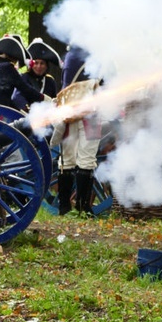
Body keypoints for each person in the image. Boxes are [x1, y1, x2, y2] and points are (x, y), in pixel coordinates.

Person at [54, 45, 103, 217]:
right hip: (90, 114)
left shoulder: (70, 56)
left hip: (69, 112)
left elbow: (65, 87)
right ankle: (83, 207)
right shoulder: (97, 55)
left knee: (67, 160)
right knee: (86, 160)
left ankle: (64, 206)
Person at [0, 34, 47, 109]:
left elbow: (5, 97)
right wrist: (44, 98)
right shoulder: (7, 67)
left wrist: (19, 111)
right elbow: (25, 88)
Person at [12, 38, 60, 111]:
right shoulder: (24, 77)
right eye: (36, 63)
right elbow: (17, 97)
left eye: (42, 63)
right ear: (31, 65)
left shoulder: (50, 81)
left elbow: (54, 100)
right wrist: (27, 110)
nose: (39, 66)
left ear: (46, 66)